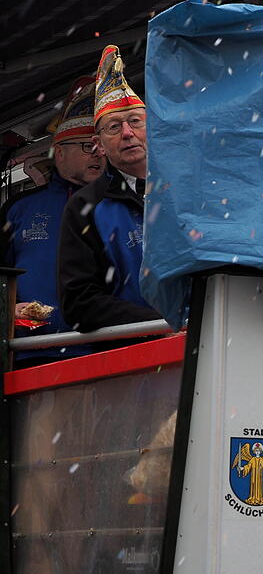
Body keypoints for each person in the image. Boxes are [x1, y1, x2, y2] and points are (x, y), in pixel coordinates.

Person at [0, 77, 105, 363]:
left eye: (101, 145)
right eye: (87, 145)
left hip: (109, 353)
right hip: (32, 356)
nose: (97, 152)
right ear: (60, 152)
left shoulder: (121, 204)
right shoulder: (20, 208)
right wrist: (9, 308)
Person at [58, 45, 162, 332]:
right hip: (132, 357)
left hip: (210, 342)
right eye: (114, 127)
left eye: (135, 122)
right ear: (99, 144)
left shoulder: (187, 188)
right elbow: (79, 303)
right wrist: (157, 325)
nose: (127, 133)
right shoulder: (85, 207)